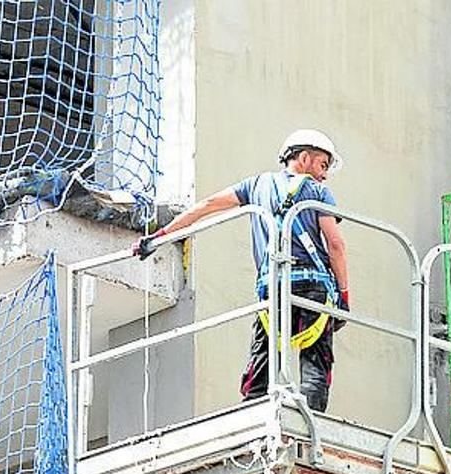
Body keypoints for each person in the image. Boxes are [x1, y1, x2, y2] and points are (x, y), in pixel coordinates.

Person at [135, 129, 350, 412]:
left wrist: (160, 236)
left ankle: (254, 419)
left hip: (271, 290)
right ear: (305, 157)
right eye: (323, 165)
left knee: (262, 362)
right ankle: (312, 429)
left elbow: (207, 206)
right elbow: (335, 244)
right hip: (313, 287)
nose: (324, 174)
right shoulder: (317, 191)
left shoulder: (256, 185)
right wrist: (344, 295)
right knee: (315, 367)